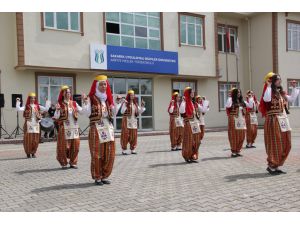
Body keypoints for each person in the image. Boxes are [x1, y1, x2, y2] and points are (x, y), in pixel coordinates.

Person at [82, 75, 121, 185]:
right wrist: (85, 103)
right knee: (97, 153)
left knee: (110, 153)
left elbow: (114, 113)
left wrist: (117, 103)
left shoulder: (108, 100)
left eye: (105, 84)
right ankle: (97, 176)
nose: (104, 86)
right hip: (96, 127)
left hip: (108, 128)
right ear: (97, 86)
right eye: (102, 84)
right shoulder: (91, 98)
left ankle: (104, 175)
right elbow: (87, 113)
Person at [259, 72, 299, 175]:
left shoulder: (280, 93)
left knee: (286, 143)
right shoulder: (268, 92)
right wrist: (267, 86)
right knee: (275, 143)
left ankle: (277, 164)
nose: (279, 81)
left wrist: (294, 88)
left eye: (279, 79)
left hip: (283, 120)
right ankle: (272, 166)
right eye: (277, 79)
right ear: (271, 81)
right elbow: (267, 99)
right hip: (273, 120)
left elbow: (292, 99)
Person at [53, 85, 85, 169]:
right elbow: (56, 117)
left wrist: (85, 102)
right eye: (66, 92)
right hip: (64, 128)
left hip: (74, 128)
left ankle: (73, 162)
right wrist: (57, 110)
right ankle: (63, 162)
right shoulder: (60, 104)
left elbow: (82, 111)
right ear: (63, 93)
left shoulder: (74, 103)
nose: (68, 94)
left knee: (76, 145)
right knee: (64, 146)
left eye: (69, 92)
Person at [16, 92, 50, 158]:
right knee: (28, 139)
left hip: (36, 124)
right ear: (29, 99)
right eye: (31, 98)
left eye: (34, 98)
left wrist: (47, 101)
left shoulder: (37, 106)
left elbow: (46, 109)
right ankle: (28, 153)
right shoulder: (26, 106)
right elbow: (18, 109)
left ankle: (33, 152)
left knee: (36, 139)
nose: (33, 99)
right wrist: (18, 101)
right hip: (28, 124)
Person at [120, 90, 146, 155]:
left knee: (134, 136)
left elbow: (139, 111)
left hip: (134, 122)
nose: (132, 96)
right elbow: (122, 112)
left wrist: (142, 106)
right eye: (131, 95)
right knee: (125, 135)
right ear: (129, 96)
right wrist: (125, 105)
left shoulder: (135, 104)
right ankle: (124, 150)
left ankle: (133, 149)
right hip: (126, 121)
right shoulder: (125, 103)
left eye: (133, 95)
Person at [179, 87, 201, 163]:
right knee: (189, 141)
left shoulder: (193, 102)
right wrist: (184, 101)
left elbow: (198, 112)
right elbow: (181, 111)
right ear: (187, 93)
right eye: (191, 92)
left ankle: (193, 155)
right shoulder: (185, 102)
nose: (193, 93)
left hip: (195, 123)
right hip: (188, 123)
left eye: (193, 92)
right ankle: (187, 156)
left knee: (197, 140)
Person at [225, 88, 247, 157]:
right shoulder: (231, 100)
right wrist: (230, 96)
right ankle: (234, 151)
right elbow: (228, 105)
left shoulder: (242, 101)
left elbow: (249, 106)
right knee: (234, 135)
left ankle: (238, 150)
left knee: (242, 135)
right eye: (237, 93)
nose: (239, 94)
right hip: (233, 119)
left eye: (240, 93)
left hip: (241, 119)